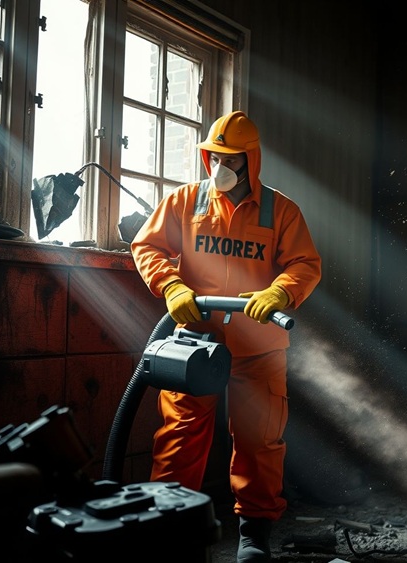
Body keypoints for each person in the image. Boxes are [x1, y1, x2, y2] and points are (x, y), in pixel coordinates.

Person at [130, 110, 322, 562]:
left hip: (259, 347)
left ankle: (254, 534)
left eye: (231, 159)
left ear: (251, 160)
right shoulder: (185, 201)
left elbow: (304, 265)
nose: (221, 166)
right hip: (195, 344)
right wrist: (172, 286)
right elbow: (147, 246)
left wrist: (279, 292)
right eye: (214, 157)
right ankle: (170, 530)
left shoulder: (281, 210)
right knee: (180, 437)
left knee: (259, 442)